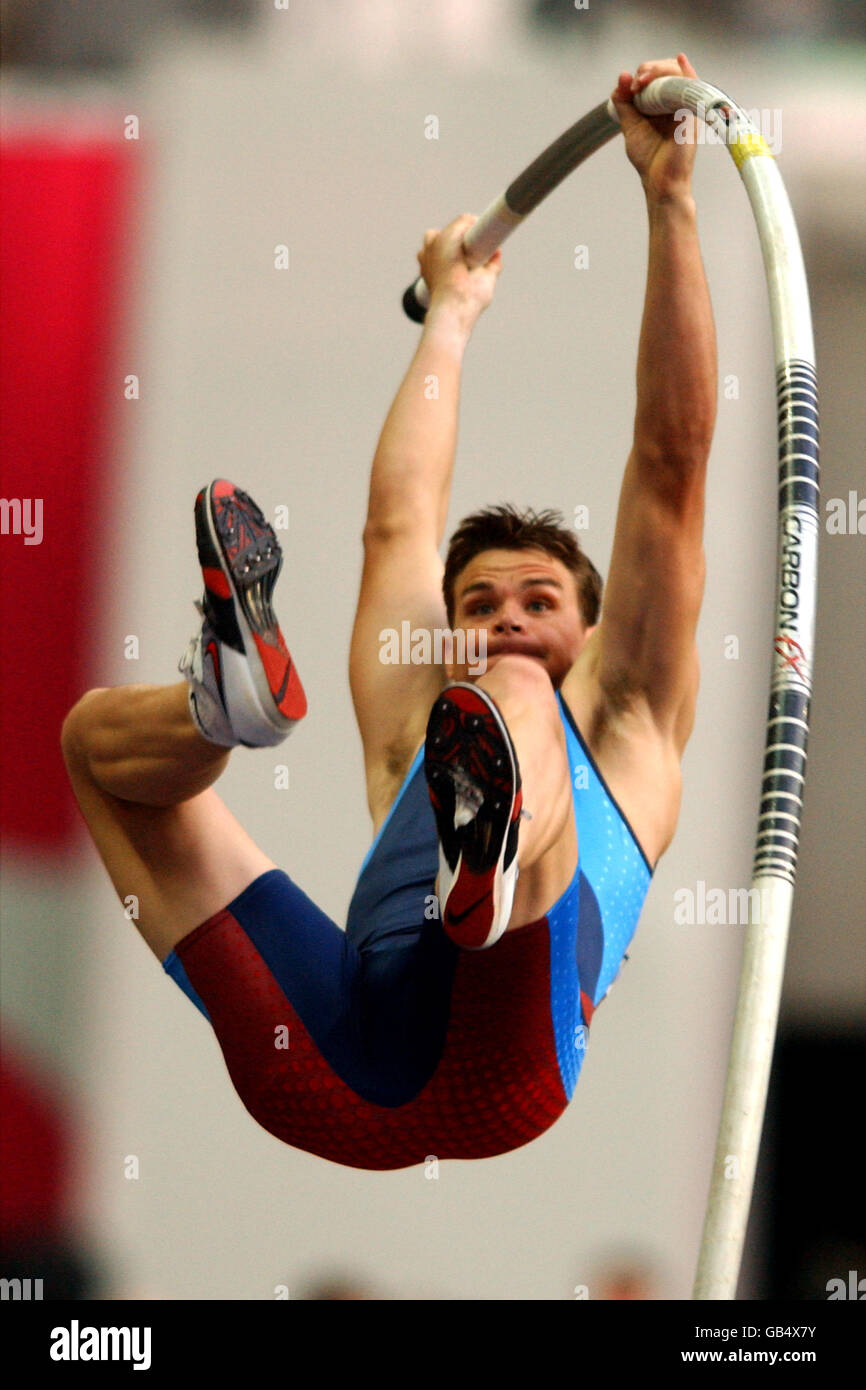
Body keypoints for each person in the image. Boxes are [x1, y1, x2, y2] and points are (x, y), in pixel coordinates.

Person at [62, 55, 716, 1171]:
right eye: (477, 602)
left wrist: (666, 201)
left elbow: (668, 464)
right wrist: (450, 314)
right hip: (335, 1069)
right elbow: (398, 526)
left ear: (597, 631)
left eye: (538, 601)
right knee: (97, 746)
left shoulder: (632, 717)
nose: (503, 619)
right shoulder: (422, 716)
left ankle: (493, 880)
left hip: (506, 1071)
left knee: (507, 696)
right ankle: (222, 710)